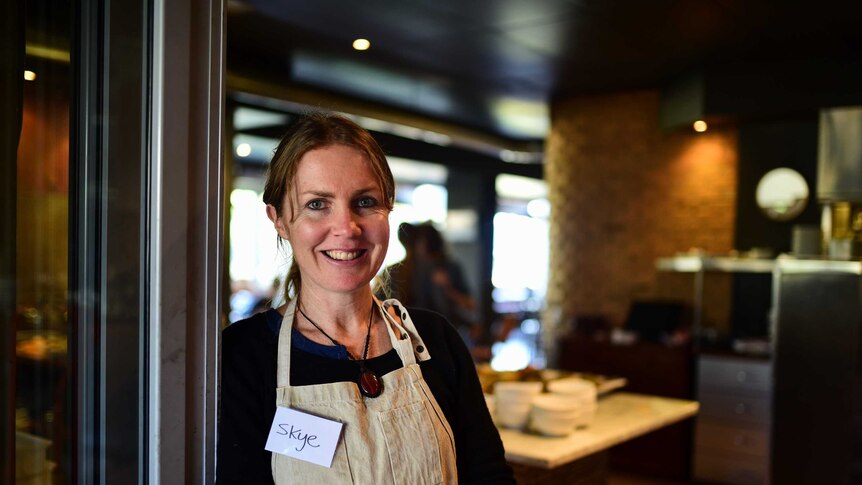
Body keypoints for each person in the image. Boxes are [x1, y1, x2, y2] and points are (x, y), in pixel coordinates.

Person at [217, 112, 514, 484]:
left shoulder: (436, 339)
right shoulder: (243, 356)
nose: (346, 228)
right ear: (278, 219)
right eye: (317, 204)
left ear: (388, 209)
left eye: (365, 201)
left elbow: (489, 476)